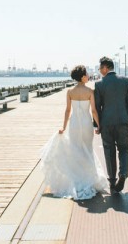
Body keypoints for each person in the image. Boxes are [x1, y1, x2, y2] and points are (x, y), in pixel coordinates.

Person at [40, 65, 108, 200]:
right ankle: (89, 178)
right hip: (86, 123)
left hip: (74, 124)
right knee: (87, 150)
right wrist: (99, 125)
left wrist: (63, 127)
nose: (88, 76)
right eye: (87, 74)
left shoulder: (70, 91)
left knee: (76, 150)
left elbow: (67, 111)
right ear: (82, 77)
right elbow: (94, 111)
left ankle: (78, 178)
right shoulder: (90, 91)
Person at [94, 56, 128, 193]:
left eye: (100, 68)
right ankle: (123, 174)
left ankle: (112, 181)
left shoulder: (99, 84)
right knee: (124, 149)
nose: (99, 70)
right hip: (123, 122)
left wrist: (97, 125)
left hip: (106, 123)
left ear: (106, 68)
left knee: (109, 150)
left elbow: (97, 106)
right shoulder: (125, 81)